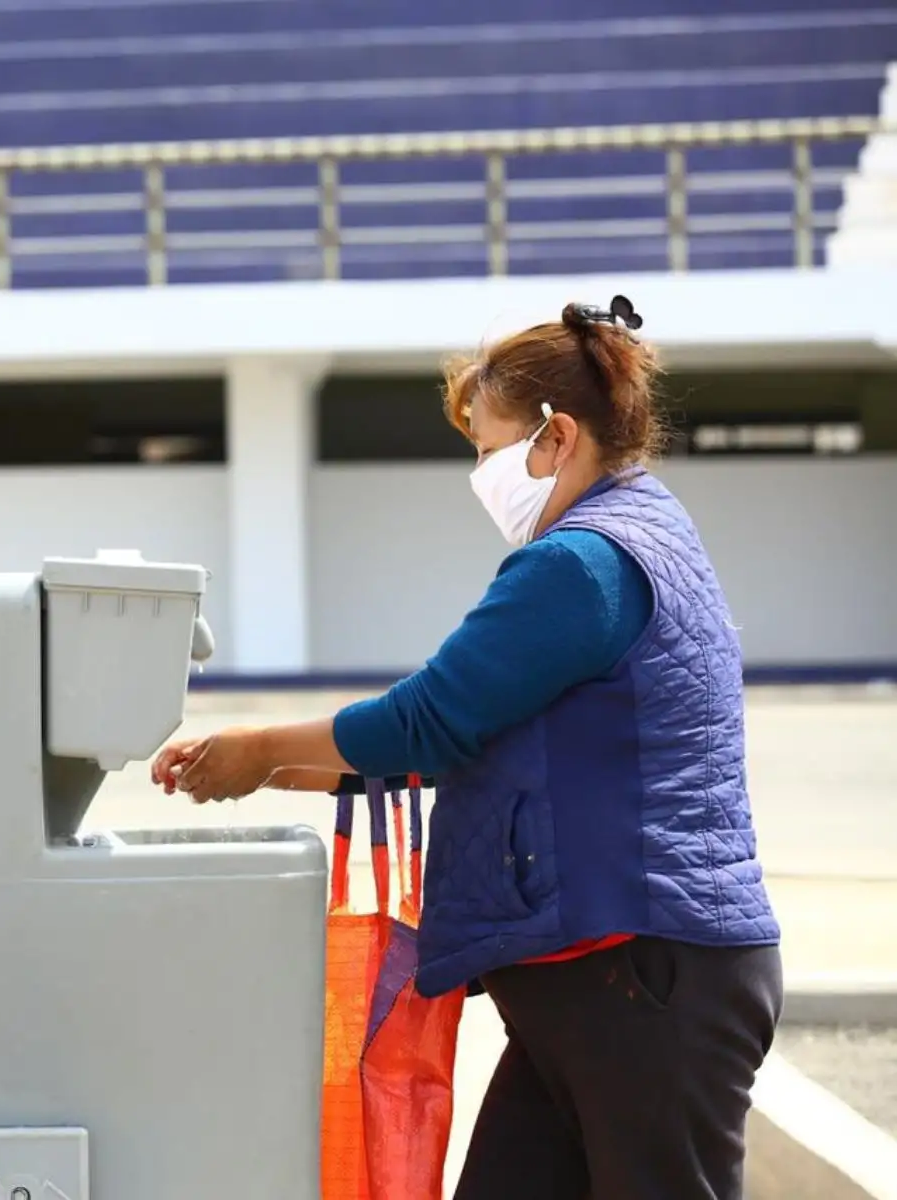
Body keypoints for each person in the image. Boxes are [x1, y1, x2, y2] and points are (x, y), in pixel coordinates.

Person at [151, 297, 783, 1200]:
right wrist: (262, 768)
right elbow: (458, 737)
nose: (480, 471)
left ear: (555, 438)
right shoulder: (643, 529)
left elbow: (428, 721)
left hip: (642, 978)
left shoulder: (582, 562)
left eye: (487, 448)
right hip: (602, 983)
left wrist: (257, 751)